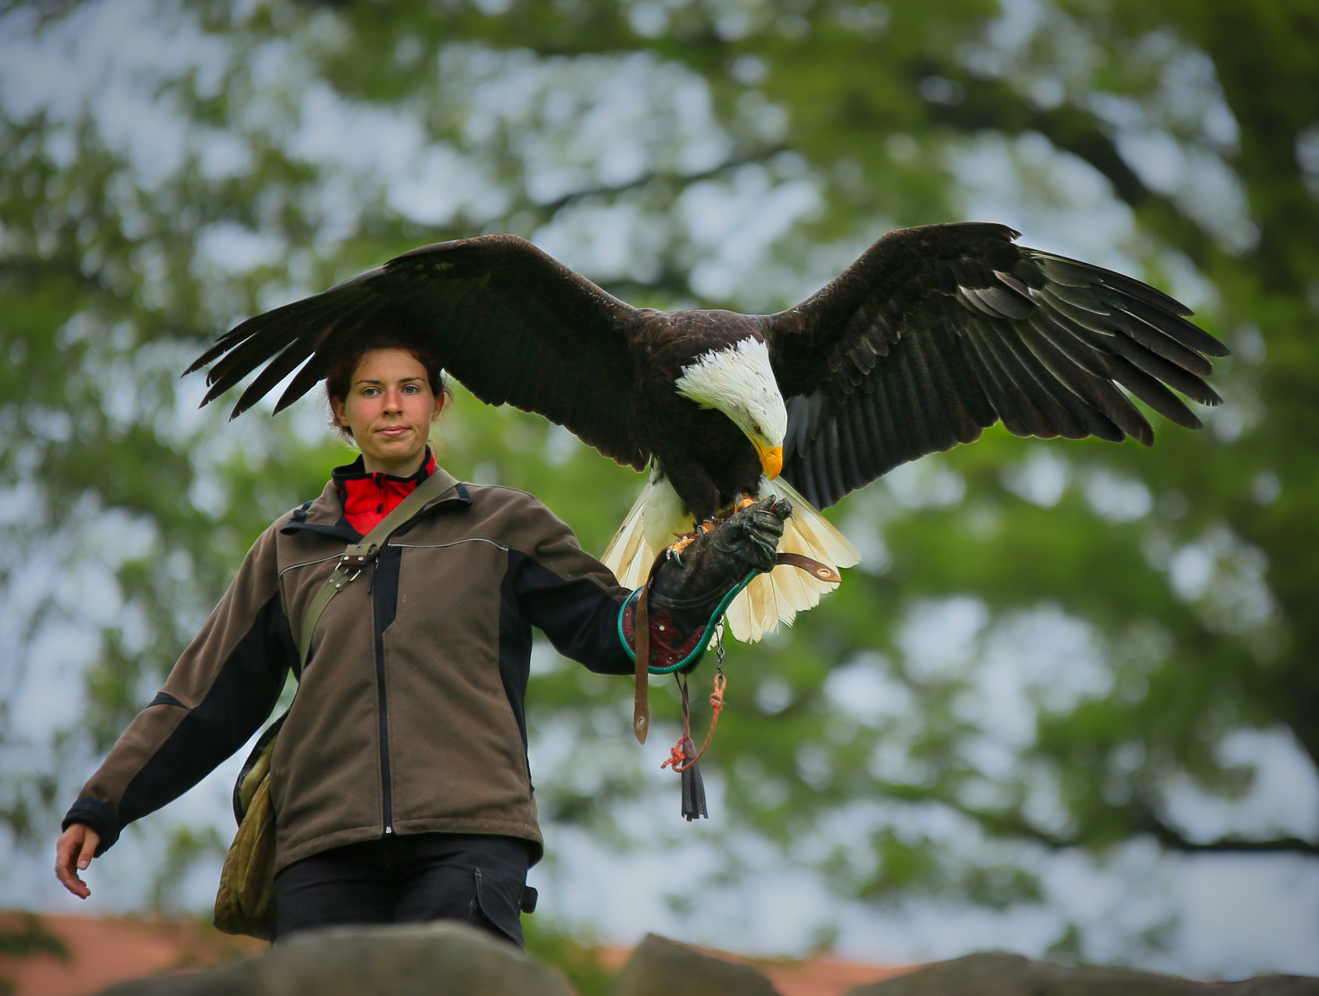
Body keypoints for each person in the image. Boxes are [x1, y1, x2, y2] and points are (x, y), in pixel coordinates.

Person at [53, 329, 786, 946]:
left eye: (409, 388)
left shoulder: (506, 525)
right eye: (370, 391)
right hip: (322, 846)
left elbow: (616, 632)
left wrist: (695, 586)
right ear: (339, 410)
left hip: (468, 840)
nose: (392, 406)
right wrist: (103, 805)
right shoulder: (291, 546)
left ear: (439, 403)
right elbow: (202, 697)